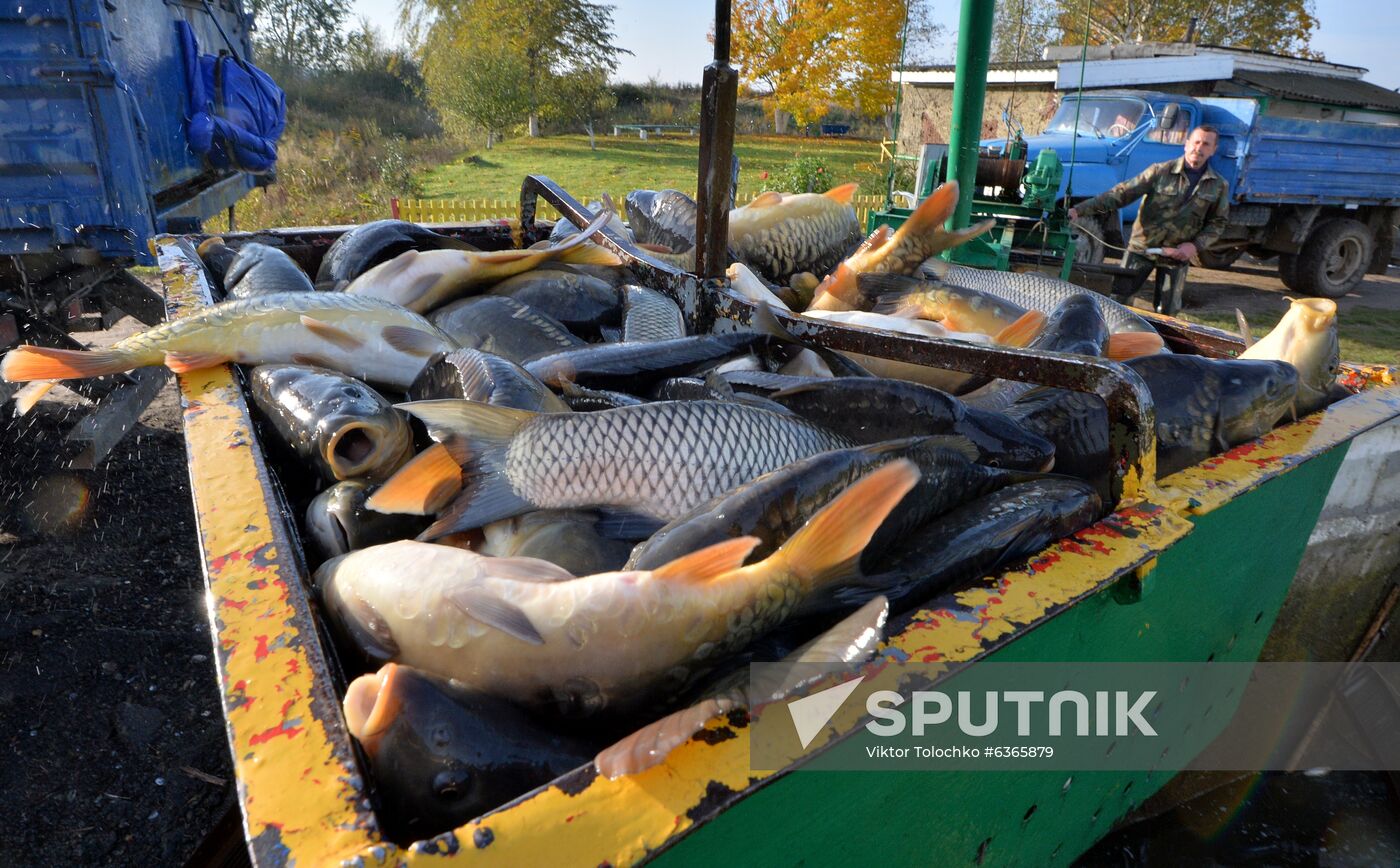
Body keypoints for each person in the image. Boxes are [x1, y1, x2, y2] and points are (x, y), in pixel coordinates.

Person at [1069, 124, 1230, 304]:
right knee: (1117, 302)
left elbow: (1218, 222)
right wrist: (1080, 210)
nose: (1199, 148)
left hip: (1177, 255)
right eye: (1196, 142)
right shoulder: (1160, 171)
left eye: (1206, 144)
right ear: (1186, 144)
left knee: (1168, 312)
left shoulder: (1218, 185)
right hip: (1142, 249)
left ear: (1213, 150)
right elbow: (1121, 194)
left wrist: (1195, 246)